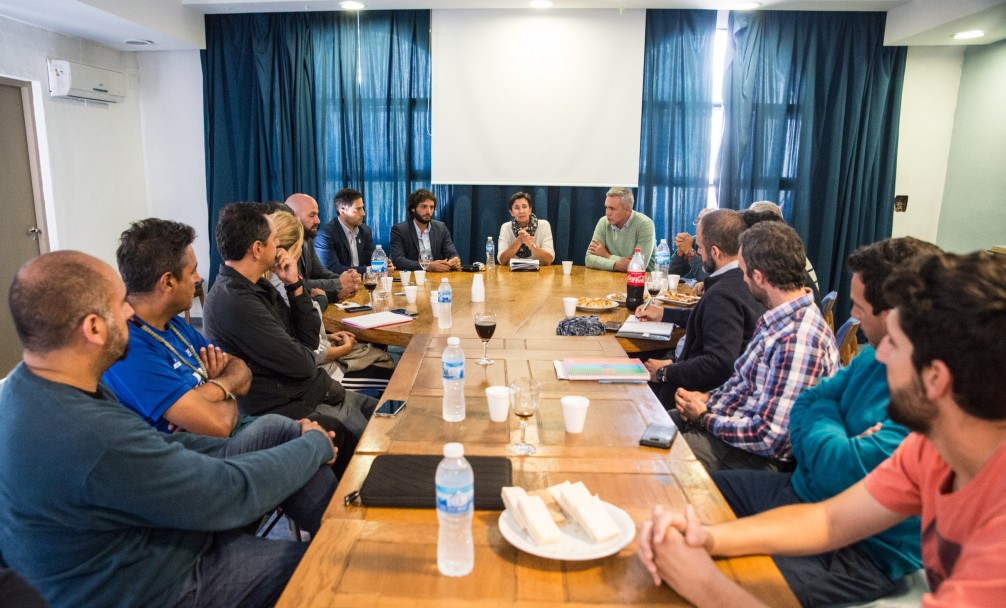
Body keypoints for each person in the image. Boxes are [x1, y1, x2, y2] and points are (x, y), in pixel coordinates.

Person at [638, 250, 1006, 608]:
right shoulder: (932, 449)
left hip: (864, 560)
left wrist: (704, 584)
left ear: (936, 379)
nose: (876, 356)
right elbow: (830, 519)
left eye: (894, 343)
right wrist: (708, 537)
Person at [0, 250, 338, 608]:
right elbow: (226, 494)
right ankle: (346, 551)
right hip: (161, 585)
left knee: (277, 430)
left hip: (153, 539)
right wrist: (313, 445)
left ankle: (344, 531)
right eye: (120, 305)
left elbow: (162, 444)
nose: (130, 313)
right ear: (94, 328)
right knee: (328, 569)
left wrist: (295, 444)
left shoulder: (31, 386)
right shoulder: (88, 435)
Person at [708, 237, 940, 606]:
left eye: (861, 306)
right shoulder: (875, 356)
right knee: (693, 496)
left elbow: (836, 473)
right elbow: (810, 401)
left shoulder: (925, 399)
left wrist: (826, 430)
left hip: (863, 552)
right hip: (803, 494)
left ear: (895, 312)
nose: (853, 314)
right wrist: (840, 437)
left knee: (722, 579)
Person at [673, 221, 839, 471]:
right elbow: (744, 384)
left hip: (756, 457)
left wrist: (706, 418)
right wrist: (707, 398)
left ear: (759, 277)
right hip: (732, 423)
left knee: (662, 461)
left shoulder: (797, 339)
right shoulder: (779, 317)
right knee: (649, 425)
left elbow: (770, 438)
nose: (741, 278)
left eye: (743, 271)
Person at [202, 203, 377, 439]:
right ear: (257, 249)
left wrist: (294, 285)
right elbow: (304, 362)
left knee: (387, 413)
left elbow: (307, 339)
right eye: (274, 240)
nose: (278, 246)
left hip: (313, 392)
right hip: (291, 407)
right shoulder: (235, 301)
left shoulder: (258, 286)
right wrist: (305, 347)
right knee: (380, 436)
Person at [101, 218, 250, 437]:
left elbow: (243, 372)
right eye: (193, 272)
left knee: (309, 430)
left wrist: (213, 389)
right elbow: (219, 425)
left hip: (234, 433)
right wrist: (228, 391)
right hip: (203, 457)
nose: (198, 279)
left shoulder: (171, 322)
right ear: (168, 282)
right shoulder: (127, 349)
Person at [635, 210, 764, 409]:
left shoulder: (723, 294)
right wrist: (664, 314)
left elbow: (718, 363)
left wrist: (666, 372)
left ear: (715, 252)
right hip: (690, 371)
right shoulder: (743, 279)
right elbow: (710, 319)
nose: (699, 253)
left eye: (701, 247)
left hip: (689, 390)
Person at [267, 210, 394, 397]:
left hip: (321, 357)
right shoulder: (284, 285)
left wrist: (328, 336)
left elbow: (301, 332)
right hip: (321, 376)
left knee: (384, 359)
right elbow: (311, 351)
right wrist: (344, 348)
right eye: (311, 214)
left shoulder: (278, 280)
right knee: (392, 374)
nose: (317, 220)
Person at [284, 193, 360, 306]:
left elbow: (319, 272)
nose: (318, 221)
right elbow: (298, 284)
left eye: (317, 215)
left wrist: (347, 278)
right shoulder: (284, 245)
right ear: (293, 217)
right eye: (312, 215)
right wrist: (339, 282)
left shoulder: (308, 239)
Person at [313, 188, 387, 276]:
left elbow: (371, 260)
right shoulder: (326, 234)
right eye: (358, 209)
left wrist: (383, 264)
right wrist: (372, 269)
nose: (363, 213)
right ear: (343, 211)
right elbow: (332, 269)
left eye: (362, 208)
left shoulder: (365, 231)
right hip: (338, 286)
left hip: (360, 283)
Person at [389, 188, 461, 272]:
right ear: (413, 208)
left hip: (438, 277)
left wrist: (454, 261)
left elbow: (452, 253)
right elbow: (398, 260)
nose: (429, 212)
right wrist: (427, 266)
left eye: (431, 207)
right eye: (424, 207)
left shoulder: (441, 227)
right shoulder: (399, 230)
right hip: (413, 278)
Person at [585, 186, 655, 272]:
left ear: (627, 210)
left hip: (643, 280)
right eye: (606, 207)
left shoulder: (645, 224)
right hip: (611, 279)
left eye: (612, 209)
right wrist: (616, 265)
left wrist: (607, 256)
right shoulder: (603, 222)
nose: (607, 213)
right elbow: (588, 259)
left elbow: (639, 266)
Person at [497, 191, 555, 266]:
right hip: (512, 275)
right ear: (511, 212)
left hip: (539, 274)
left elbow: (549, 260)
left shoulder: (544, 225)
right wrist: (519, 240)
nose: (521, 211)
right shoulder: (506, 227)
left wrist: (531, 245)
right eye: (517, 208)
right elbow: (502, 261)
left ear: (530, 209)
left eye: (524, 207)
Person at [669, 207, 713, 282]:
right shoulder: (693, 241)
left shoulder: (719, 244)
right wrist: (680, 253)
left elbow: (707, 277)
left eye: (702, 221)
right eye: (697, 220)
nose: (697, 225)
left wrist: (689, 251)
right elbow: (672, 275)